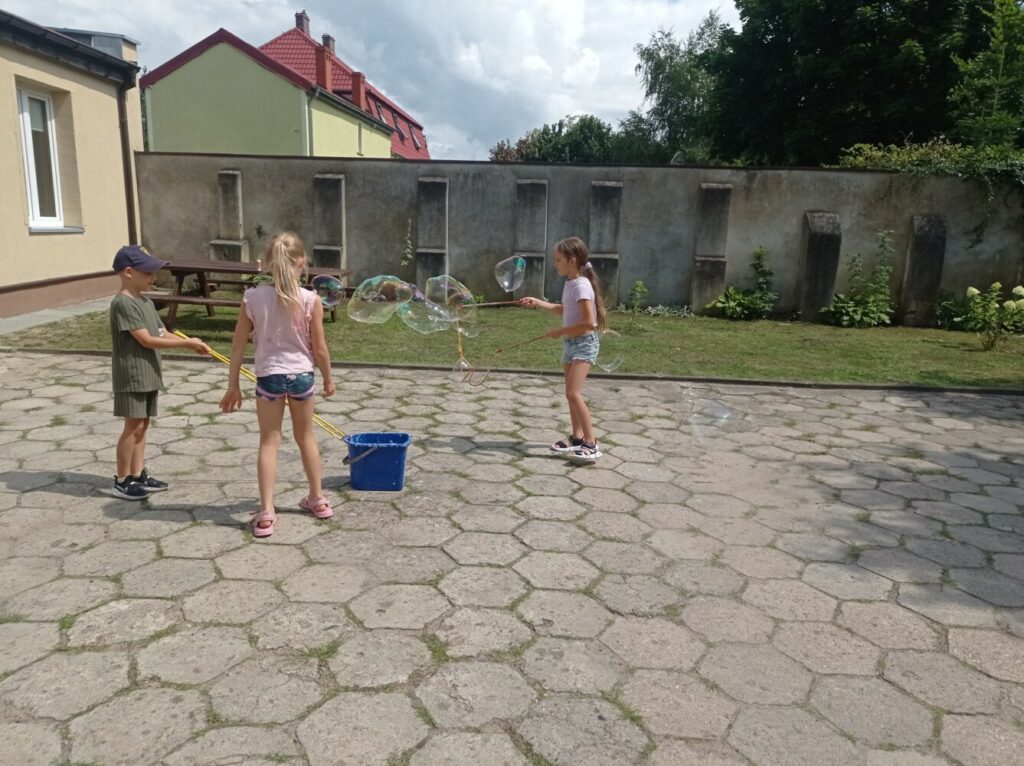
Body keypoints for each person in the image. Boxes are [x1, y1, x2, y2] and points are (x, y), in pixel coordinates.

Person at [219, 232, 336, 537]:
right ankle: (318, 499)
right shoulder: (311, 299)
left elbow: (237, 346)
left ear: (267, 263)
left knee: (269, 441)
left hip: (269, 376)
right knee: (306, 437)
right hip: (302, 376)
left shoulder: (252, 298)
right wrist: (328, 378)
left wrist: (233, 385)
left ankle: (267, 511)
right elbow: (320, 348)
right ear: (302, 262)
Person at [109, 245, 210, 500]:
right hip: (132, 375)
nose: (153, 277)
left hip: (148, 373)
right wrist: (186, 344)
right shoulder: (123, 303)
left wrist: (192, 342)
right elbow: (146, 340)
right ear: (129, 272)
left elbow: (162, 333)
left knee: (143, 425)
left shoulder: (145, 301)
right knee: (132, 427)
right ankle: (121, 480)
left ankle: (138, 473)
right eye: (148, 272)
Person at [519, 236, 606, 463]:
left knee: (573, 393)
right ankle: (577, 438)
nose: (555, 263)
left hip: (584, 343)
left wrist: (561, 331)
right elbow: (563, 309)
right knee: (570, 394)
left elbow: (588, 323)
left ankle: (591, 443)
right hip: (571, 343)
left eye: (558, 259)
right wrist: (537, 302)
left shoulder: (581, 285)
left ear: (571, 260)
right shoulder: (571, 282)